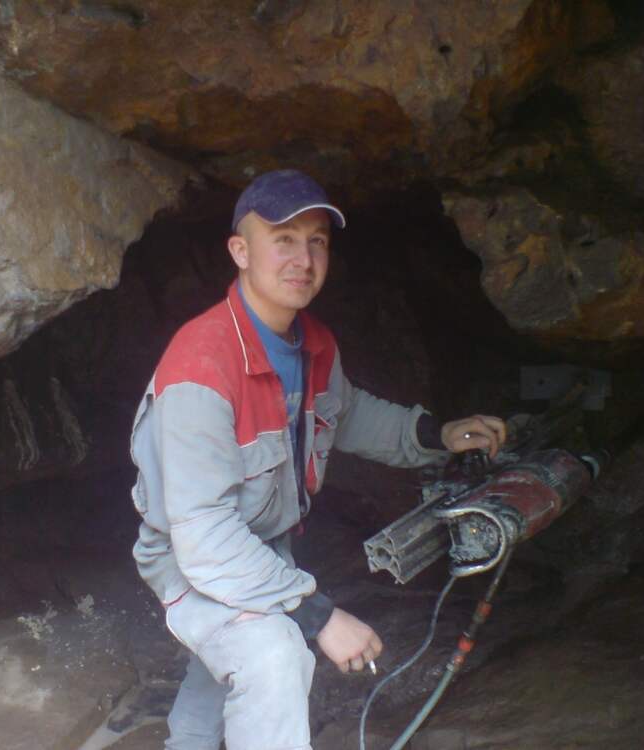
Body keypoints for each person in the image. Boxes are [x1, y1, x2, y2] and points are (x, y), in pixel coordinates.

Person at [129, 169, 506, 750]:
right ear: (240, 252)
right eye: (283, 239)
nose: (303, 259)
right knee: (272, 652)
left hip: (258, 543)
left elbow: (347, 415)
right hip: (191, 556)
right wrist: (319, 615)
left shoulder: (311, 343)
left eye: (317, 241)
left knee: (228, 657)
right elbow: (204, 538)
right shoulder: (201, 369)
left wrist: (439, 434)